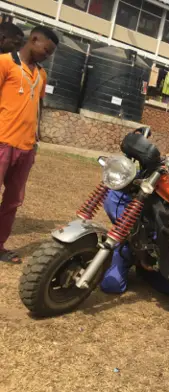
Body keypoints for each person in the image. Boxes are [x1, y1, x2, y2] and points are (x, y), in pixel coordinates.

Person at [0, 25, 58, 264]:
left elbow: (38, 105)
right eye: (46, 49)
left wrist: (36, 138)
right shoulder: (4, 63)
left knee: (13, 201)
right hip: (2, 142)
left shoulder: (41, 74)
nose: (48, 55)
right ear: (34, 39)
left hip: (26, 148)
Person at [100, 189, 169, 296]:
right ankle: (123, 258)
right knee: (112, 285)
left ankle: (145, 268)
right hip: (126, 244)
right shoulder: (119, 189)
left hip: (152, 244)